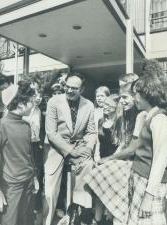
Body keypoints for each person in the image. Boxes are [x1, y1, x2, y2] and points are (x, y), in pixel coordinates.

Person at [85, 75, 139, 225]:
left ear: (117, 107)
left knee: (110, 193)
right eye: (104, 104)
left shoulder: (120, 122)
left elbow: (123, 145)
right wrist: (97, 158)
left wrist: (110, 160)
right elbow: (97, 141)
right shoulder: (101, 121)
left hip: (116, 160)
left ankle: (109, 219)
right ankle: (97, 220)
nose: (106, 107)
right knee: (98, 191)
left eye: (109, 105)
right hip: (102, 158)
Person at [43, 72, 96, 225]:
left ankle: (76, 216)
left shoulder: (89, 105)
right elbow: (51, 133)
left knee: (87, 172)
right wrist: (70, 151)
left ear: (82, 89)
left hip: (80, 147)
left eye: (75, 88)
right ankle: (47, 221)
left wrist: (88, 148)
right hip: (56, 148)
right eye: (67, 86)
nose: (70, 90)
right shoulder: (54, 102)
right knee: (50, 191)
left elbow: (91, 132)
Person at [124, 75, 167, 225]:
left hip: (149, 184)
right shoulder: (148, 116)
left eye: (135, 94)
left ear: (147, 94)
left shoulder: (160, 120)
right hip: (139, 178)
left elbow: (160, 160)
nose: (134, 98)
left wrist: (149, 196)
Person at [0, 80, 36, 225]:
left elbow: (28, 154)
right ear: (21, 104)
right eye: (31, 101)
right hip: (11, 187)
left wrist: (34, 177)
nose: (34, 104)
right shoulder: (1, 126)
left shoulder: (26, 125)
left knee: (24, 220)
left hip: (28, 182)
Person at [93, 86, 110, 161]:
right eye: (97, 96)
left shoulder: (109, 111)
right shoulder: (93, 111)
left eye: (102, 96)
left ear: (108, 97)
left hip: (104, 142)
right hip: (94, 139)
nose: (99, 98)